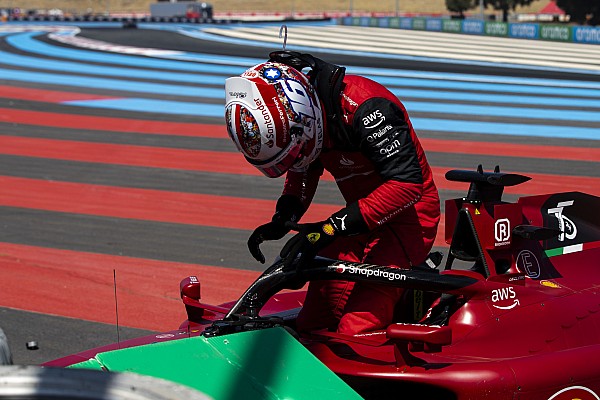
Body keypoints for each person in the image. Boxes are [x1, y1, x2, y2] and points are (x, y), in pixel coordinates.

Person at [224, 51, 440, 335]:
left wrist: (331, 228)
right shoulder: (305, 116)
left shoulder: (369, 108)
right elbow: (303, 165)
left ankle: (416, 293)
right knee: (313, 321)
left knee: (355, 329)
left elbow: (407, 185)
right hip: (357, 218)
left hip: (408, 219)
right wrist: (284, 216)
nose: (296, 157)